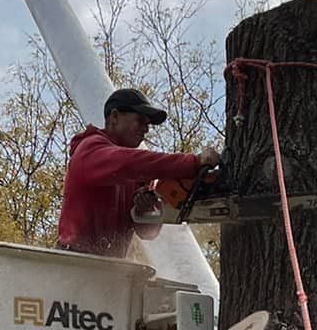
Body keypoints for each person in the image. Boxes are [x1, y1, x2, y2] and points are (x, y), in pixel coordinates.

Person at [56, 87, 220, 257]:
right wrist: (193, 162)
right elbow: (130, 163)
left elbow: (146, 232)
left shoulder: (135, 175)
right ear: (114, 116)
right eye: (140, 121)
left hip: (107, 267)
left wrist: (146, 209)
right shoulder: (90, 149)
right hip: (72, 261)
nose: (146, 129)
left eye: (148, 125)